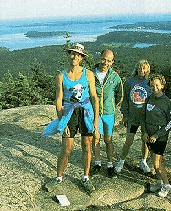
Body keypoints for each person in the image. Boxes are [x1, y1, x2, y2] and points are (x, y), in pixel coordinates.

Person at [43, 43, 99, 194]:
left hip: (86, 112)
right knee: (66, 148)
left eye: (78, 55)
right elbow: (59, 100)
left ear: (82, 58)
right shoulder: (61, 75)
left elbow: (94, 97)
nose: (74, 57)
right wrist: (63, 121)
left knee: (87, 146)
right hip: (69, 113)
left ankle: (86, 177)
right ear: (69, 55)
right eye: (72, 54)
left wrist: (95, 121)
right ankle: (58, 177)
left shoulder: (88, 74)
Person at [115, 59, 152, 174]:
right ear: (137, 69)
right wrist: (125, 114)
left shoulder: (150, 82)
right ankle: (121, 161)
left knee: (145, 140)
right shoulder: (130, 81)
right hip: (132, 117)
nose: (142, 70)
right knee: (129, 140)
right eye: (140, 68)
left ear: (147, 70)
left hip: (145, 118)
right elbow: (125, 98)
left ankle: (143, 161)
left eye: (144, 68)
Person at [91, 49, 123, 178]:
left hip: (109, 113)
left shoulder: (114, 76)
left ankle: (110, 164)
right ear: (100, 58)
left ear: (112, 62)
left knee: (108, 140)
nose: (105, 62)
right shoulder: (90, 74)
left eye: (109, 61)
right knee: (96, 138)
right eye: (104, 59)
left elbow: (120, 94)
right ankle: (98, 163)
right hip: (95, 113)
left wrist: (112, 105)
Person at [142, 74, 171, 197]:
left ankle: (167, 185)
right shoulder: (148, 99)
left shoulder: (167, 103)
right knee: (154, 161)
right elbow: (143, 118)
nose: (154, 88)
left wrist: (157, 134)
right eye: (152, 85)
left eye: (157, 85)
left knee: (157, 163)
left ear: (162, 85)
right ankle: (159, 182)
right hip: (149, 136)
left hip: (160, 137)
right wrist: (145, 132)